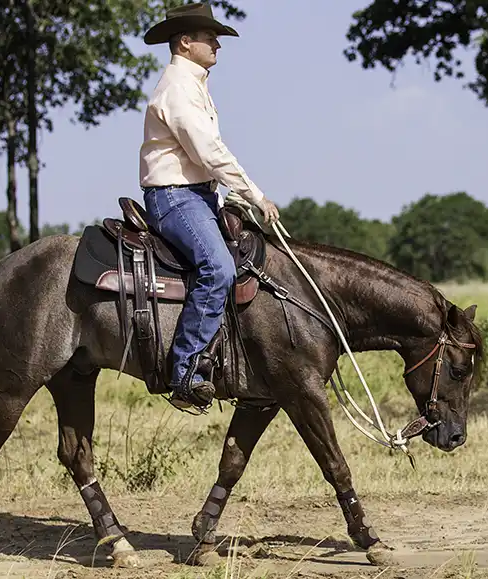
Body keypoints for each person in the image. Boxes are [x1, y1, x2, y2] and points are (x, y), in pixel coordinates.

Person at [138, 3, 280, 410]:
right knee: (218, 267)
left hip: (198, 195)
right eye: (209, 37)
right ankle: (185, 372)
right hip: (175, 197)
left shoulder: (194, 84)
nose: (217, 44)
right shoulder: (178, 89)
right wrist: (254, 195)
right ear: (185, 42)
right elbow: (209, 152)